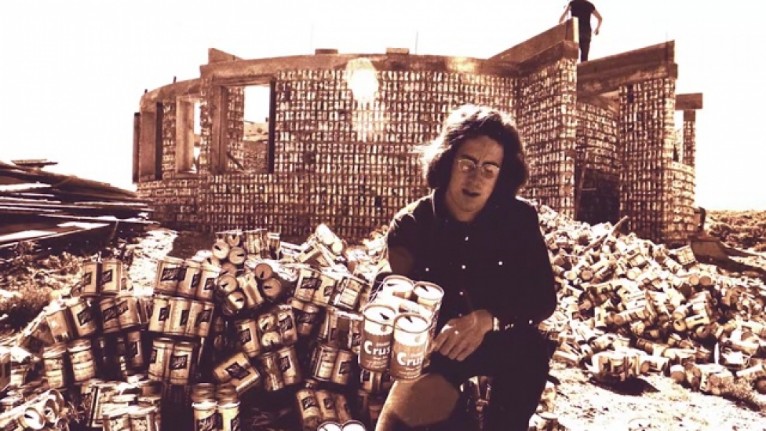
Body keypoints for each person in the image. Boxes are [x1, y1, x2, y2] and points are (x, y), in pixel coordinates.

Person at [378, 104, 557, 431]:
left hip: (498, 344)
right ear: (446, 162)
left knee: (530, 350)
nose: (476, 178)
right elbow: (387, 289)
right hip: (433, 353)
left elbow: (543, 298)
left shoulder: (519, 220)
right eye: (467, 163)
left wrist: (488, 318)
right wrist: (398, 313)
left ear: (502, 176)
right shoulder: (411, 225)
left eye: (490, 168)